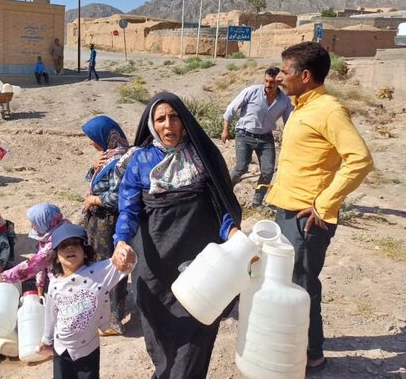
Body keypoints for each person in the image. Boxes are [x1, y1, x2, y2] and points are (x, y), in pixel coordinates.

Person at [112, 92, 242, 379]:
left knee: (197, 333)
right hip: (155, 265)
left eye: (174, 116)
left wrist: (231, 231)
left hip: (200, 264)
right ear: (151, 124)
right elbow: (128, 211)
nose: (168, 124)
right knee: (161, 337)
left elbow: (220, 204)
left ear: (184, 121)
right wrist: (121, 241)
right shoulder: (140, 162)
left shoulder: (203, 157)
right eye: (161, 119)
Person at [267, 42, 373, 371]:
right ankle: (297, 345)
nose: (280, 77)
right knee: (289, 283)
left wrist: (324, 203)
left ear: (306, 75)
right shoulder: (302, 106)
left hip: (307, 220)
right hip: (288, 211)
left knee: (301, 286)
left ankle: (311, 354)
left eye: (286, 71)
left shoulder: (328, 109)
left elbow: (361, 160)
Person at [39, 223, 135, 379]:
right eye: (64, 246)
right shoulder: (55, 286)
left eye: (75, 244)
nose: (70, 248)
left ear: (85, 252)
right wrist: (46, 339)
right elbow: (51, 315)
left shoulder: (99, 273)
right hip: (62, 349)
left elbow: (128, 264)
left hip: (88, 347)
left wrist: (126, 252)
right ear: (56, 257)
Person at [81, 116, 129, 335]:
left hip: (110, 223)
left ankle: (114, 320)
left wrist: (94, 200)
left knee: (112, 267)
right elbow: (94, 181)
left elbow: (121, 195)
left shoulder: (122, 160)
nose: (90, 143)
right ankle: (107, 309)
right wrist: (93, 168)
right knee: (101, 265)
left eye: (92, 138)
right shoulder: (109, 156)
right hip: (98, 222)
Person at [221, 67, 293, 206]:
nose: (268, 84)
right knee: (242, 167)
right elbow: (231, 109)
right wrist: (225, 130)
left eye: (271, 82)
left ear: (278, 82)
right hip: (244, 135)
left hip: (266, 138)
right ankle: (224, 193)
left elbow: (289, 122)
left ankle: (257, 202)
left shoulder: (284, 101)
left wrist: (289, 141)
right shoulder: (252, 91)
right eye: (266, 81)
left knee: (268, 171)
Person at [0, 203, 69, 295]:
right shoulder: (59, 227)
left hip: (67, 284)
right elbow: (41, 263)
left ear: (44, 222)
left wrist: (3, 277)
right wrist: (40, 288)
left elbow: (33, 265)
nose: (32, 227)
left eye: (34, 224)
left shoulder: (55, 242)